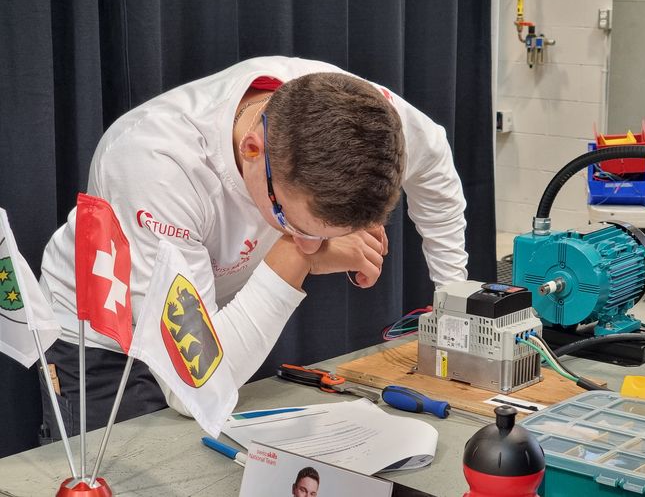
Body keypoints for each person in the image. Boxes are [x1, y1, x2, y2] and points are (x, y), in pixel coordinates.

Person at [39, 56, 468, 438]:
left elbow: (434, 159)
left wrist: (454, 306)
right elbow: (194, 392)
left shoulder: (359, 111)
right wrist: (298, 256)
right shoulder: (155, 165)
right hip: (105, 343)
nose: (313, 243)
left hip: (211, 312)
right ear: (251, 149)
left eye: (325, 235)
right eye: (294, 225)